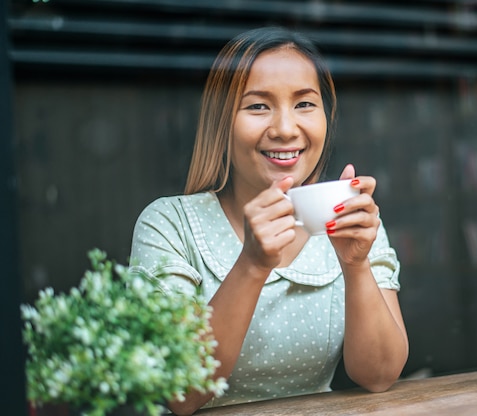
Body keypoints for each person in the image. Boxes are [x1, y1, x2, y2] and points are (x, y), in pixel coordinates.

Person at [129, 26, 408, 416]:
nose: (284, 129)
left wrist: (355, 265)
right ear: (222, 122)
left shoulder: (351, 217)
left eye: (305, 104)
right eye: (258, 106)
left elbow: (378, 375)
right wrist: (253, 264)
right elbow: (180, 394)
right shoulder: (169, 224)